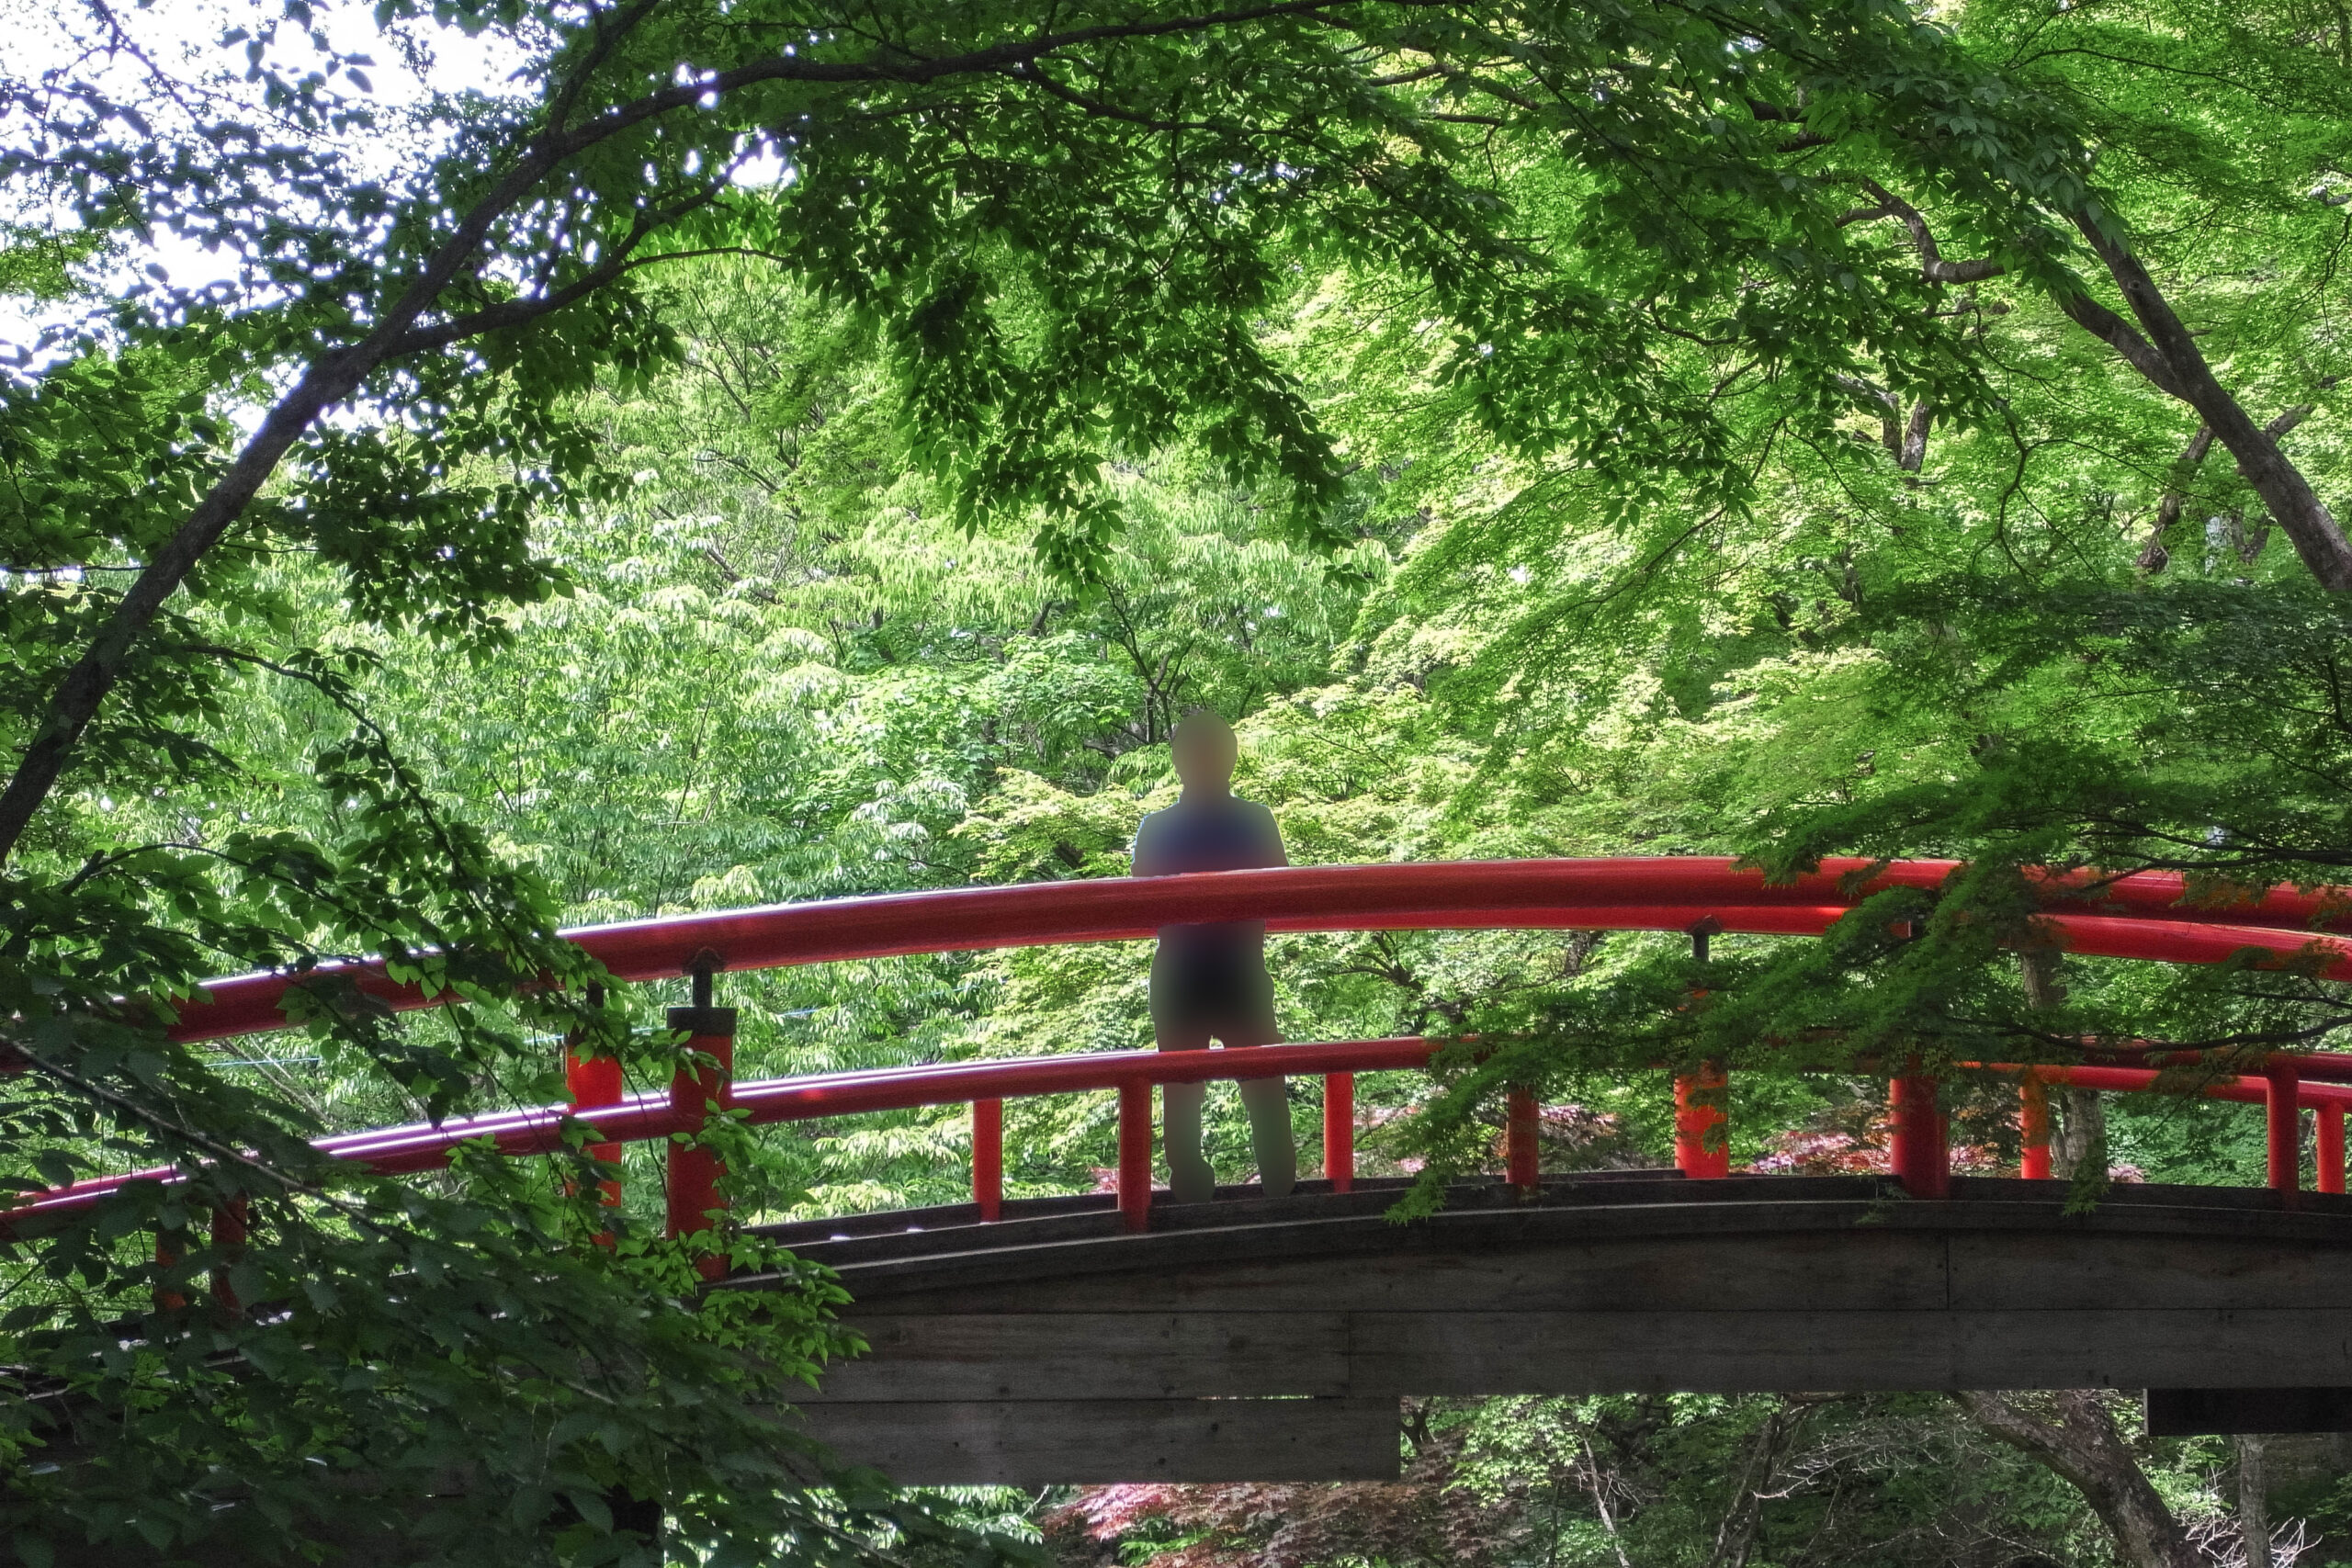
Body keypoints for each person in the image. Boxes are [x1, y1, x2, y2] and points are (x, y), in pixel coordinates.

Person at [1130, 709, 1296, 1203]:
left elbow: (1140, 900)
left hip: (1203, 968)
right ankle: (1271, 1192)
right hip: (1220, 968)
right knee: (1217, 1087)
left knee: (1228, 1086)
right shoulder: (1251, 821)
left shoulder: (1161, 828)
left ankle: (1227, 1190)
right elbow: (1283, 889)